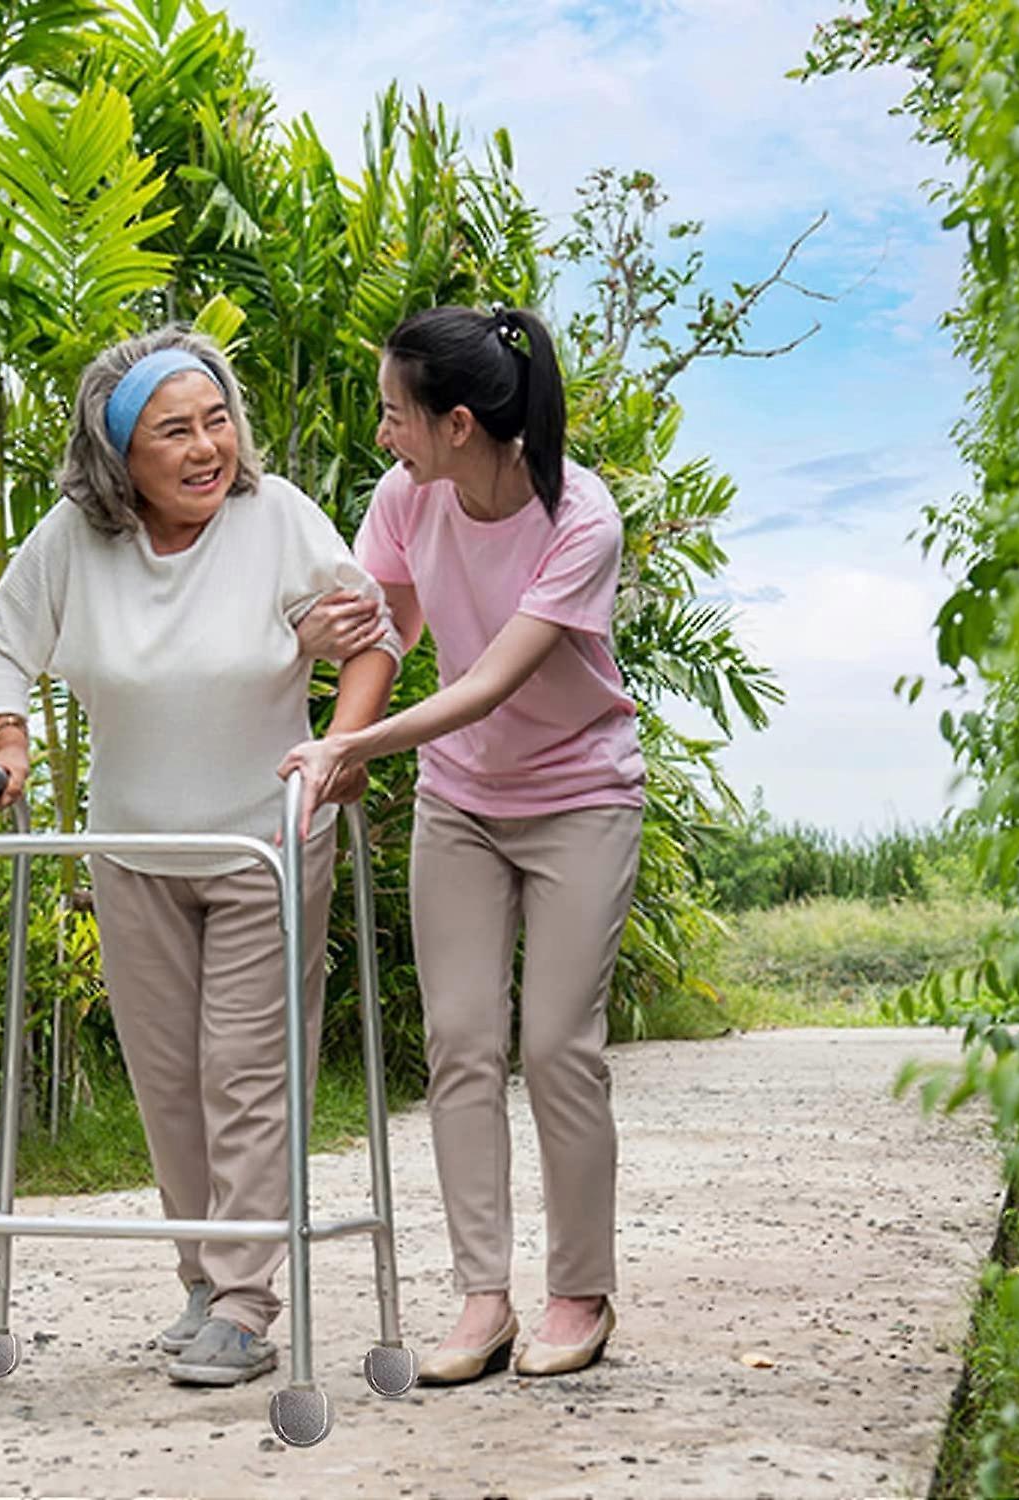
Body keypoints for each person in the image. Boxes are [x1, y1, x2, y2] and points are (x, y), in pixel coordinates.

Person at [0, 325, 400, 1387]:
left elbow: (372, 634)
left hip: (265, 842)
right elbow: (0, 641)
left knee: (247, 1074)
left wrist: (337, 747)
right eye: (175, 430)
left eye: (217, 420)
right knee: (169, 1081)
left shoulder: (275, 516)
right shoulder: (76, 538)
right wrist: (8, 741)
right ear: (122, 456)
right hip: (133, 846)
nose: (208, 446)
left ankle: (250, 1306)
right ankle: (205, 1278)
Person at [281, 304, 645, 1385]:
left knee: (556, 1050)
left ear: (456, 424)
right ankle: (483, 1298)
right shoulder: (405, 498)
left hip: (581, 796)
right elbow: (386, 635)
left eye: (395, 414)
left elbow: (492, 679)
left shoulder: (578, 516)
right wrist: (332, 710)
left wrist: (360, 749)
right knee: (460, 1044)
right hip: (461, 803)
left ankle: (578, 1291)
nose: (382, 434)